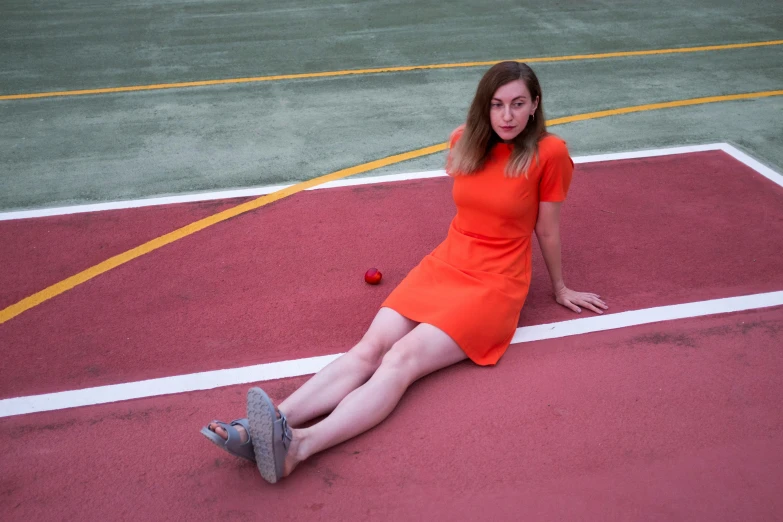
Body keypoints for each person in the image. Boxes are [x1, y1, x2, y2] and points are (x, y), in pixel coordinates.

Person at [201, 61, 608, 484]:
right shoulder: (463, 142)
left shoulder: (551, 153)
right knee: (368, 350)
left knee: (401, 359)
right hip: (446, 263)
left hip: (495, 284)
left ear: (535, 105)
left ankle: (300, 446)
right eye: (497, 105)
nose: (507, 116)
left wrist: (559, 287)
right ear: (483, 108)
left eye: (518, 104)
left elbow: (546, 227)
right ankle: (261, 429)